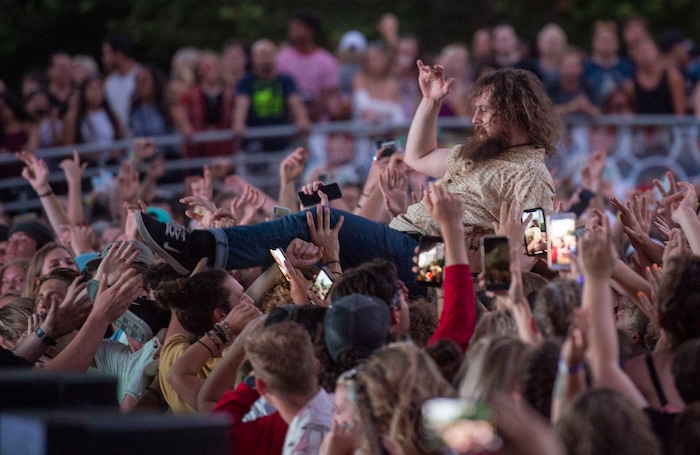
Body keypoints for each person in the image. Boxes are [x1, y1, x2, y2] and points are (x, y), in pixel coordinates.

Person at [135, 64, 558, 287]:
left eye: (486, 109)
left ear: (516, 112)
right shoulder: (477, 153)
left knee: (313, 222)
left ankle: (199, 248)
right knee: (306, 262)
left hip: (434, 259)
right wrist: (428, 101)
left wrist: (486, 283)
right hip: (405, 241)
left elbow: (539, 254)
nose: (476, 117)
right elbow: (419, 154)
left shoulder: (531, 173)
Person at [233, 38, 310, 170]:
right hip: (254, 144)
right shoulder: (245, 82)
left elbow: (295, 103)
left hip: (281, 144)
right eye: (261, 55)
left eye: (268, 55)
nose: (265, 60)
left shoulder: (285, 80)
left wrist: (302, 120)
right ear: (253, 58)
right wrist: (238, 124)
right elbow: (241, 104)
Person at [275, 10, 342, 122]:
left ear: (309, 30)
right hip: (289, 124)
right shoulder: (281, 59)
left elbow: (328, 96)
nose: (292, 32)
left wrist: (309, 114)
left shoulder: (326, 61)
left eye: (297, 28)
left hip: (319, 125)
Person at [102, 34, 140, 134]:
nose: (104, 60)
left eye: (107, 54)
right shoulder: (108, 83)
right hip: (120, 143)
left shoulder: (141, 76)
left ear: (118, 54)